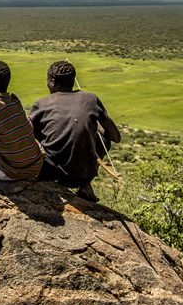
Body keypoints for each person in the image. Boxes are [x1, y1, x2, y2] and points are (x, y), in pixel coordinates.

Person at [29, 60, 121, 202]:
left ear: (52, 81)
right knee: (102, 133)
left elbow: (26, 137)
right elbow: (115, 136)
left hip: (50, 173)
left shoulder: (41, 104)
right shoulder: (91, 99)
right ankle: (86, 186)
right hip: (83, 174)